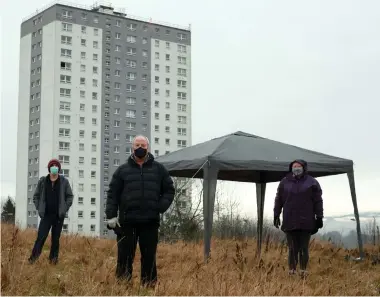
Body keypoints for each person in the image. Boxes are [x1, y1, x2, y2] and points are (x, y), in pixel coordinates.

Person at [106, 135, 175, 287]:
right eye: (137, 145)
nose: (140, 148)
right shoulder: (122, 170)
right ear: (132, 147)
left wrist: (161, 206)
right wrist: (111, 216)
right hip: (127, 222)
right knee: (124, 256)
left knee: (149, 256)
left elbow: (169, 190)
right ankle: (123, 287)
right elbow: (112, 194)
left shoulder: (159, 169)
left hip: (150, 222)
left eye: (143, 145)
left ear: (148, 147)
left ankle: (149, 287)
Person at [273, 159, 324, 277]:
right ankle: (292, 271)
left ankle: (303, 271)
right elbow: (278, 199)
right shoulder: (284, 182)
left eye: (298, 166)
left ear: (304, 168)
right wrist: (276, 214)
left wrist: (319, 216)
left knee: (303, 248)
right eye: (294, 166)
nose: (296, 168)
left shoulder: (312, 182)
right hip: (289, 219)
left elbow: (318, 201)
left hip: (306, 221)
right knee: (292, 248)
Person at [28, 158, 73, 264]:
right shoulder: (43, 181)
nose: (54, 167)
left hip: (58, 216)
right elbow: (36, 196)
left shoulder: (64, 182)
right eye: (52, 166)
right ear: (49, 168)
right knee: (41, 237)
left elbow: (69, 196)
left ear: (58, 169)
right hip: (46, 215)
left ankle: (53, 260)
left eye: (56, 166)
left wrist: (64, 209)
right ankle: (33, 259)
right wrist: (39, 208)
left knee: (55, 239)